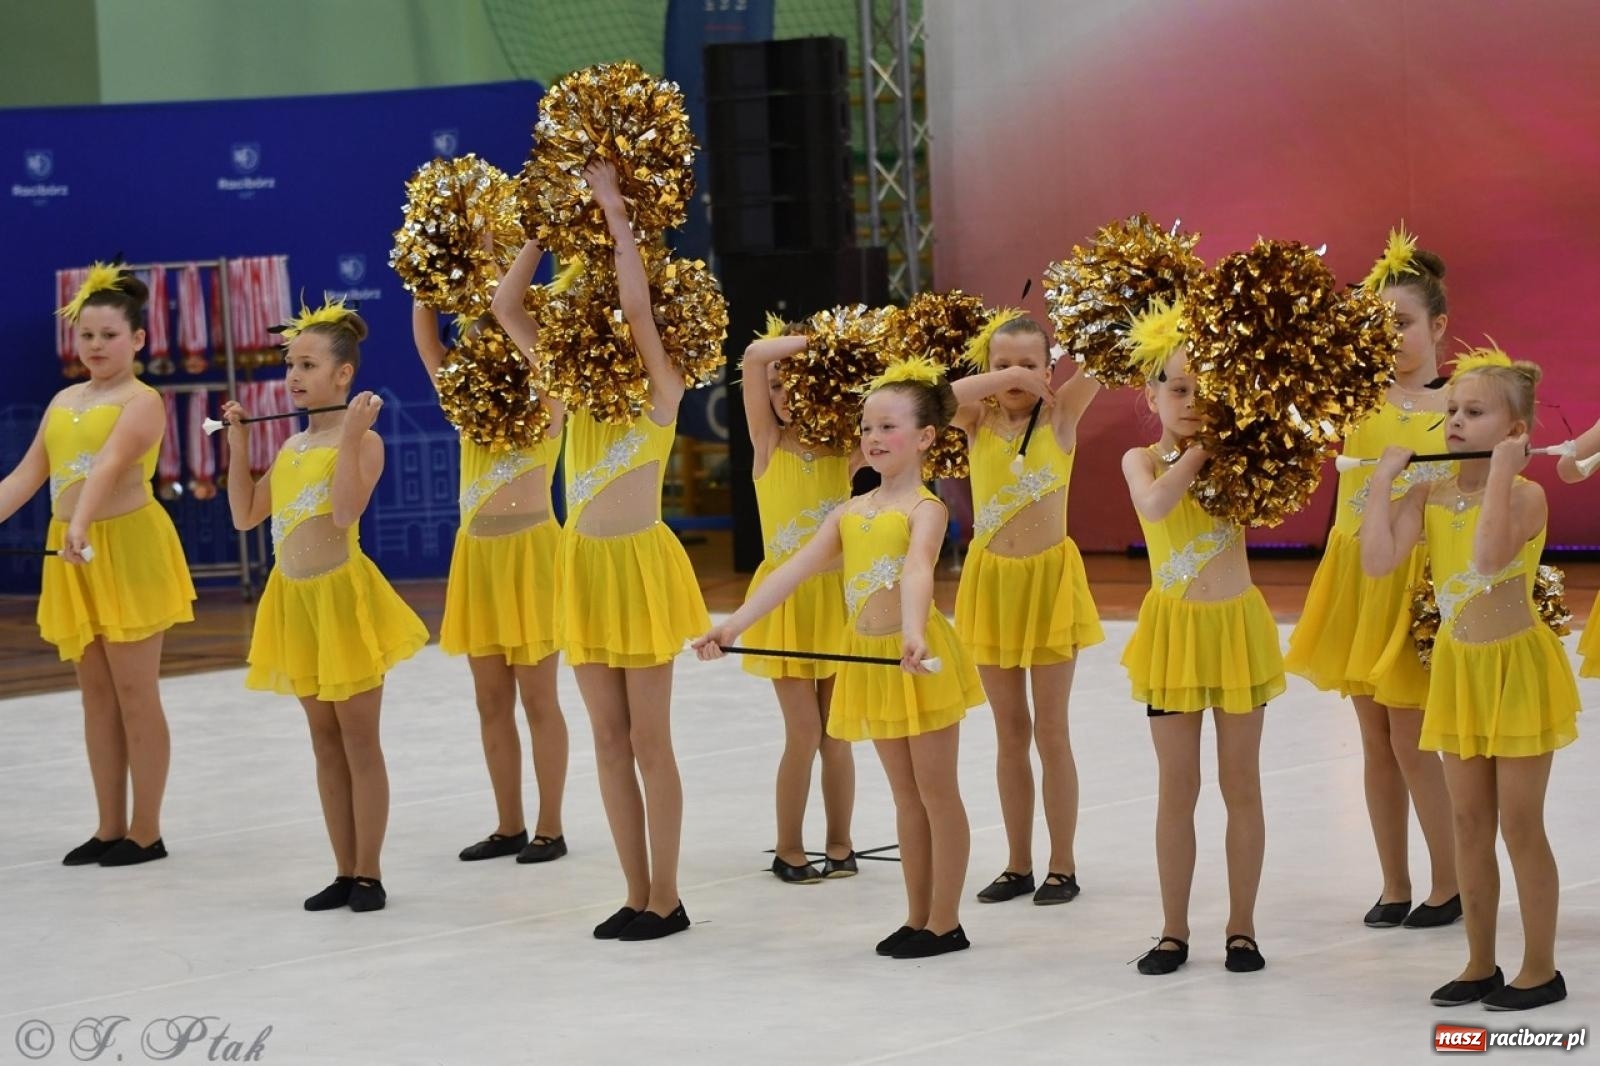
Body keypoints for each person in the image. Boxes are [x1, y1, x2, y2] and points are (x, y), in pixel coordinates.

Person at [696, 358, 986, 958]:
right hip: (867, 659)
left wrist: (912, 632)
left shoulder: (925, 509)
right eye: (867, 428)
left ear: (927, 437)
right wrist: (731, 626)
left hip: (917, 661)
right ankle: (916, 916)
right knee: (906, 797)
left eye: (889, 428)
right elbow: (791, 572)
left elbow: (916, 571)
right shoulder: (849, 512)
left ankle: (946, 921)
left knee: (937, 793)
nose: (874, 439)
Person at [1362, 349, 1580, 1011]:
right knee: (1466, 821)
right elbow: (1377, 562)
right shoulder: (1431, 492)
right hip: (1458, 670)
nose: (1454, 420)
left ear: (1514, 431)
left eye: (1473, 412)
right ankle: (1479, 961)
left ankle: (1539, 969)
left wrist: (1503, 475)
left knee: (1519, 823)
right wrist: (1380, 491)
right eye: (1451, 410)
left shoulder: (1528, 494)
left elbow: (1488, 558)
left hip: (1516, 669)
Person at [224, 299, 428, 913]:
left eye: (308, 364)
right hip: (293, 600)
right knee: (323, 740)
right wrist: (238, 448)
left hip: (342, 597)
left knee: (359, 740)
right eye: (291, 364)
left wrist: (353, 437)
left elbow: (342, 513)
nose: (294, 376)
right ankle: (342, 869)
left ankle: (369, 872)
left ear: (343, 374)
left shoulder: (363, 442)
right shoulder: (287, 448)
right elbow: (243, 515)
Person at [0, 264, 194, 866]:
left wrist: (79, 524)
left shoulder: (143, 402)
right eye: (87, 335)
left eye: (109, 335)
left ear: (138, 340)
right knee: (96, 698)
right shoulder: (63, 401)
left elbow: (108, 466)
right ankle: (109, 826)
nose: (96, 346)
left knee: (136, 693)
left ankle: (147, 830)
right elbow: (28, 476)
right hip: (73, 554)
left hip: (124, 549)